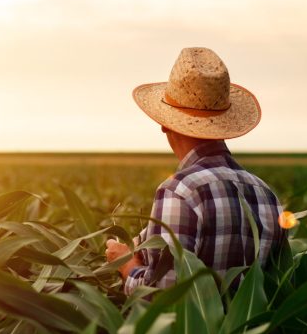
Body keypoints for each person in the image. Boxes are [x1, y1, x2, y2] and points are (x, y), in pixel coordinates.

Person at [106, 47, 286, 295]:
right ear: (225, 125)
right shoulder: (267, 195)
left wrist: (127, 265)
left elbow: (161, 297)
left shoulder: (179, 191)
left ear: (164, 124)